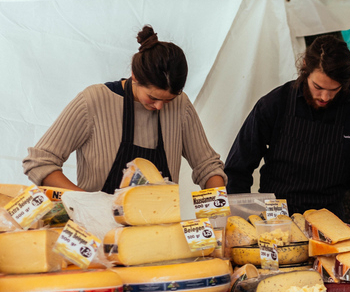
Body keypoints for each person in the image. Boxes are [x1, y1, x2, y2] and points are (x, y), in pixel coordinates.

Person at [23, 25, 226, 193]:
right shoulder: (94, 100)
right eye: (153, 98)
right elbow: (40, 162)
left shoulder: (182, 107)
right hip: (98, 231)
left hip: (160, 232)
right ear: (134, 77)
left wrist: (215, 206)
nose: (159, 107)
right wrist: (84, 201)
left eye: (169, 100)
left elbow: (207, 166)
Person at [224, 35, 350, 224]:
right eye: (318, 87)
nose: (325, 96)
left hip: (330, 220)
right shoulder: (274, 105)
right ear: (305, 66)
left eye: (334, 90)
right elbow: (237, 168)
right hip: (277, 220)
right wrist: (240, 220)